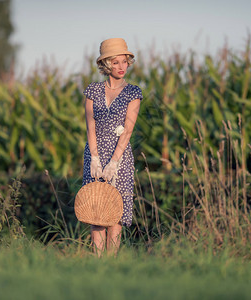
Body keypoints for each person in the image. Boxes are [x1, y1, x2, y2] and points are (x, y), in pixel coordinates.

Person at [82, 38, 143, 256]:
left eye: (124, 62)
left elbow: (127, 130)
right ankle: (97, 265)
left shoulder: (133, 93)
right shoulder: (93, 91)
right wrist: (96, 158)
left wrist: (114, 162)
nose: (121, 67)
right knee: (96, 212)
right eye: (116, 62)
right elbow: (90, 127)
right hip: (95, 155)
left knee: (115, 214)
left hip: (120, 158)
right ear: (107, 64)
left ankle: (111, 264)